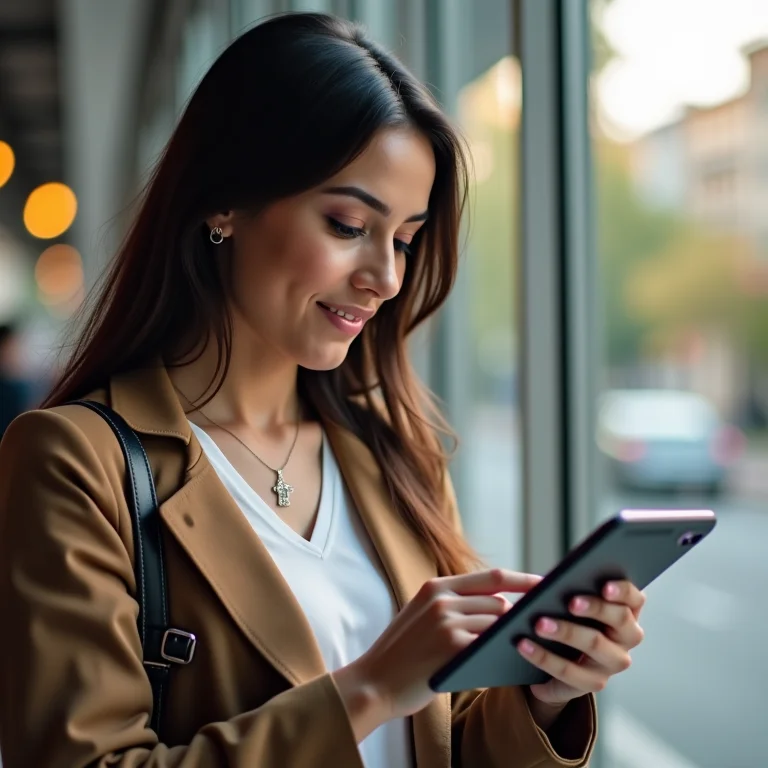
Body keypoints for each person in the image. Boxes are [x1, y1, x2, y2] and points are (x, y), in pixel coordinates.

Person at [0, 12, 645, 768]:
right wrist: (371, 686)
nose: (387, 277)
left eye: (404, 238)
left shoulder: (393, 450)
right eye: (347, 225)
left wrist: (546, 695)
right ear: (224, 202)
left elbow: (442, 740)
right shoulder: (75, 462)